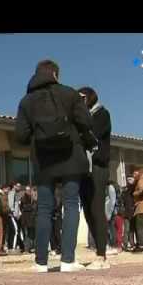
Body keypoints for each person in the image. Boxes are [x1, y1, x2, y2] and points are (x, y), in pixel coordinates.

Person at [16, 60, 97, 273]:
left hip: (43, 160)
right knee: (70, 204)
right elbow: (86, 123)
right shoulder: (69, 94)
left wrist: (38, 136)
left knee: (43, 208)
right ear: (55, 74)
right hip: (70, 155)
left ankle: (41, 262)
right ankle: (68, 260)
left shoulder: (26, 101)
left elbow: (21, 136)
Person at [78, 86, 113, 269]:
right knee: (87, 210)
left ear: (90, 97)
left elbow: (92, 135)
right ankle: (100, 247)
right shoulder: (82, 117)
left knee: (96, 207)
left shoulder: (102, 114)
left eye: (82, 97)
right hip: (84, 168)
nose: (79, 101)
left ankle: (102, 255)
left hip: (98, 166)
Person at [122, 176, 137, 251]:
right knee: (127, 229)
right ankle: (125, 244)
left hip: (133, 212)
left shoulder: (135, 189)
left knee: (132, 230)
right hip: (127, 213)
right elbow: (122, 201)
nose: (129, 181)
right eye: (128, 179)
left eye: (131, 179)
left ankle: (132, 243)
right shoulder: (125, 190)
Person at [20, 186, 36, 254]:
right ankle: (27, 248)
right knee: (28, 234)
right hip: (28, 219)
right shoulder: (25, 198)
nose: (29, 192)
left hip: (29, 219)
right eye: (28, 190)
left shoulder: (31, 198)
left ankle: (30, 248)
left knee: (31, 234)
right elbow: (24, 207)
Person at [105, 180, 119, 254]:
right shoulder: (106, 188)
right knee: (108, 229)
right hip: (107, 212)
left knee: (111, 229)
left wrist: (109, 213)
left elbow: (112, 201)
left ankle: (113, 245)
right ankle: (109, 245)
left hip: (110, 212)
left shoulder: (110, 187)